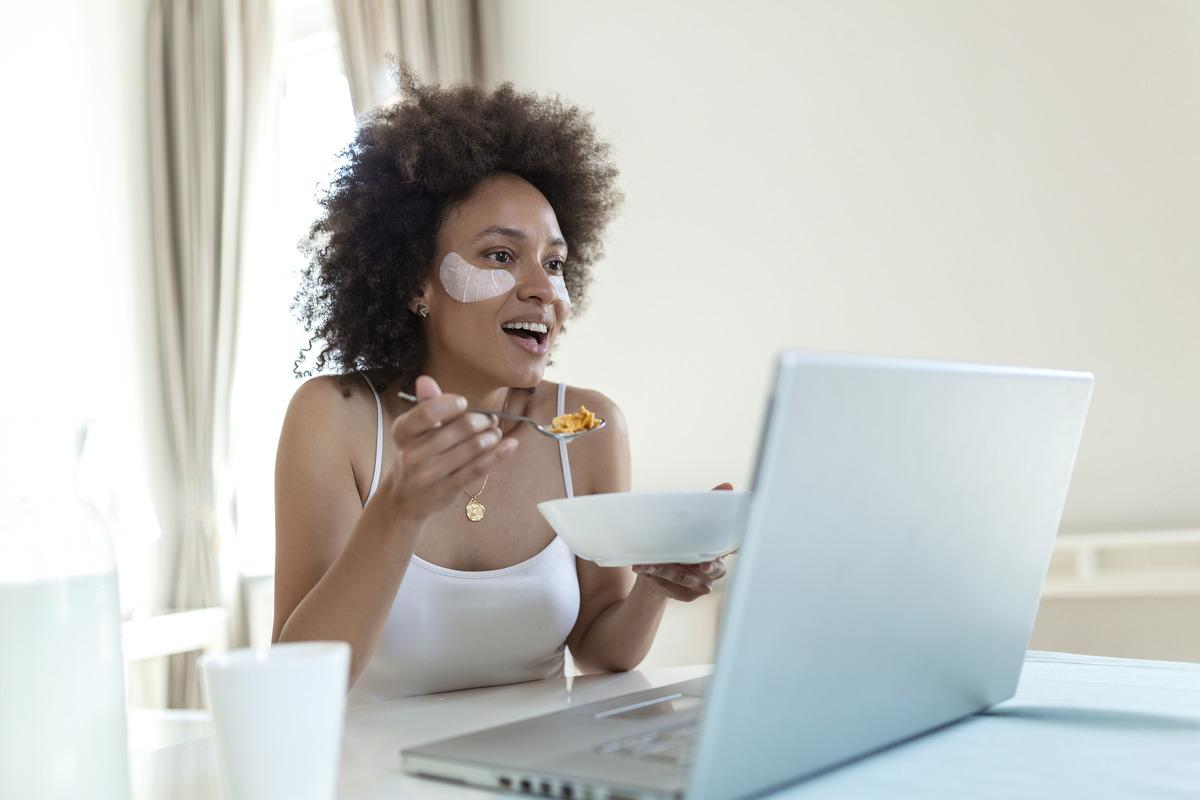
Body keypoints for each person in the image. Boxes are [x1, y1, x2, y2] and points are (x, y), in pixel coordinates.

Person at [272, 73, 728, 702]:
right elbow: (297, 681)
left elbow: (601, 650)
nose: (543, 288)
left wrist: (655, 584)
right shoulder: (335, 420)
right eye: (499, 255)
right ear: (415, 283)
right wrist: (399, 508)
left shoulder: (588, 427)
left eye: (555, 262)